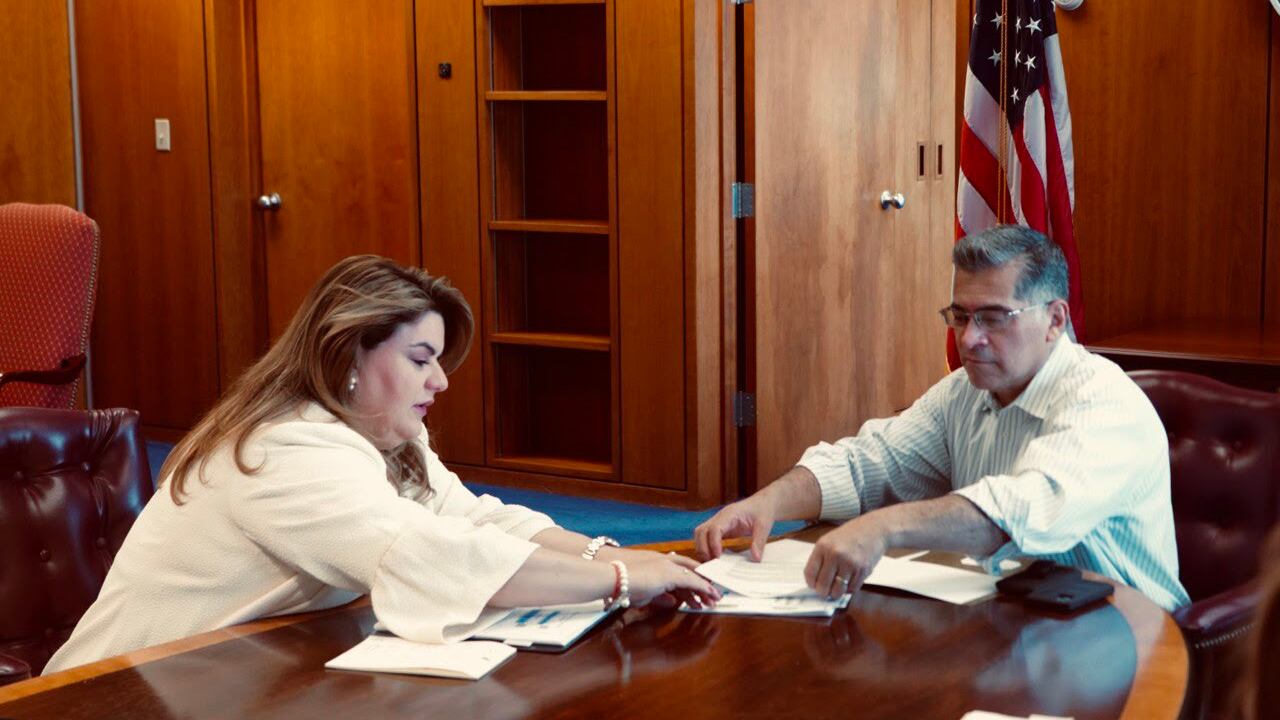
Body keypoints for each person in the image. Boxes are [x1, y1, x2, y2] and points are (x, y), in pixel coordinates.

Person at [45, 255, 718, 674]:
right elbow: (426, 554)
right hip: (120, 689)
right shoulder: (281, 450)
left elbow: (474, 518)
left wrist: (601, 553)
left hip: (230, 675)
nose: (441, 383)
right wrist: (625, 578)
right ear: (348, 360)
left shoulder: (382, 435)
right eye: (421, 360)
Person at [695, 225, 1189, 612]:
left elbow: (1014, 514)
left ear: (1055, 320)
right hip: (1020, 620)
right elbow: (868, 465)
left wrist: (881, 528)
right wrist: (770, 500)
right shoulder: (965, 391)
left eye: (994, 318)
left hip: (1135, 637)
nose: (969, 339)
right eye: (960, 316)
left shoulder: (1102, 403)